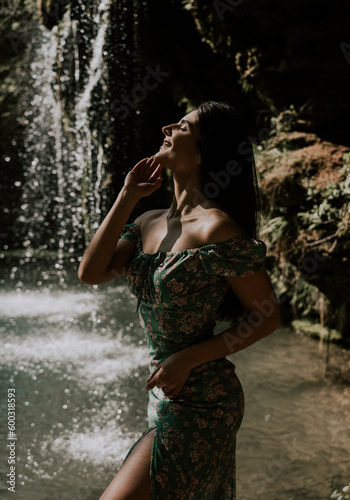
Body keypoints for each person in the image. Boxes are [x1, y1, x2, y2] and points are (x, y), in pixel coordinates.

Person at [78, 100, 280, 500]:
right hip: (164, 391)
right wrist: (127, 196)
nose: (168, 126)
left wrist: (187, 358)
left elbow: (267, 316)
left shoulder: (216, 228)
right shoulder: (148, 222)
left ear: (204, 152)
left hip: (204, 399)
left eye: (183, 127)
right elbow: (92, 273)